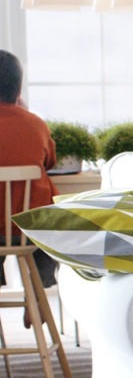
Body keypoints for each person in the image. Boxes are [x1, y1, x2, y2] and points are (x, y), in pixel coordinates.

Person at [0, 50, 59, 291]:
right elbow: (50, 162)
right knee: (52, 225)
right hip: (31, 228)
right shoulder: (36, 124)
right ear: (18, 89)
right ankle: (39, 286)